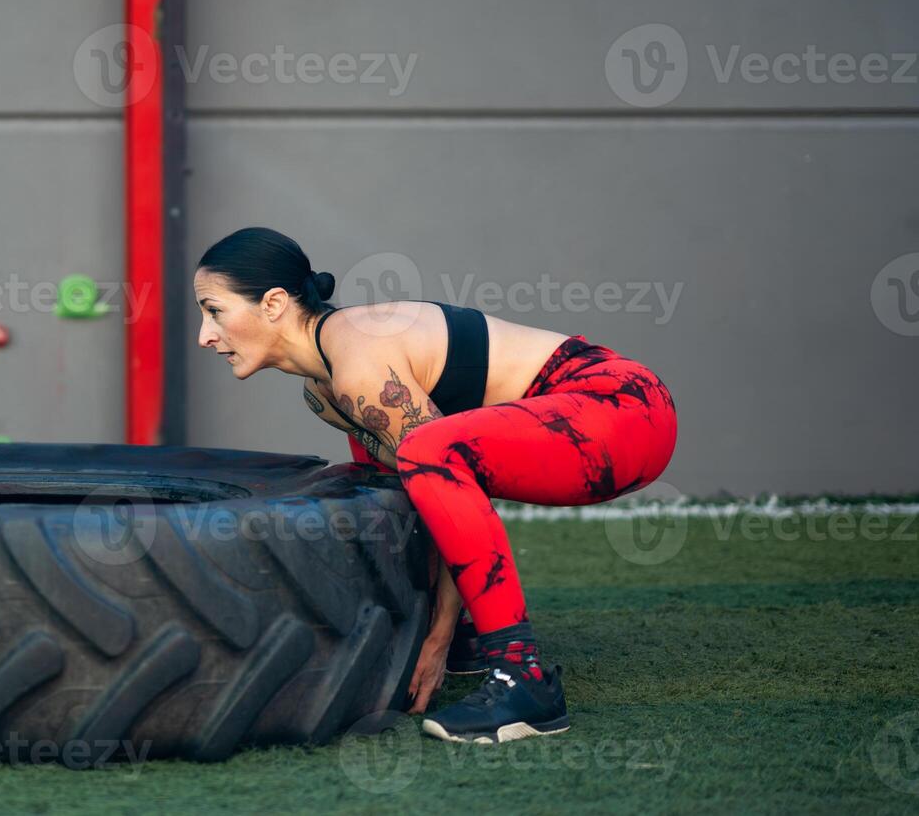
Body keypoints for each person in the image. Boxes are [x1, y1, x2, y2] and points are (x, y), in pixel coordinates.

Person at [194, 227, 678, 745]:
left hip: (624, 410)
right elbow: (415, 501)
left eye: (214, 311)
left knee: (426, 454)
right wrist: (417, 630)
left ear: (273, 304)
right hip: (592, 422)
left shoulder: (359, 367)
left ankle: (524, 681)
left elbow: (443, 473)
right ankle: (473, 642)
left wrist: (440, 632)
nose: (205, 335)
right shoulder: (325, 392)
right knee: (395, 480)